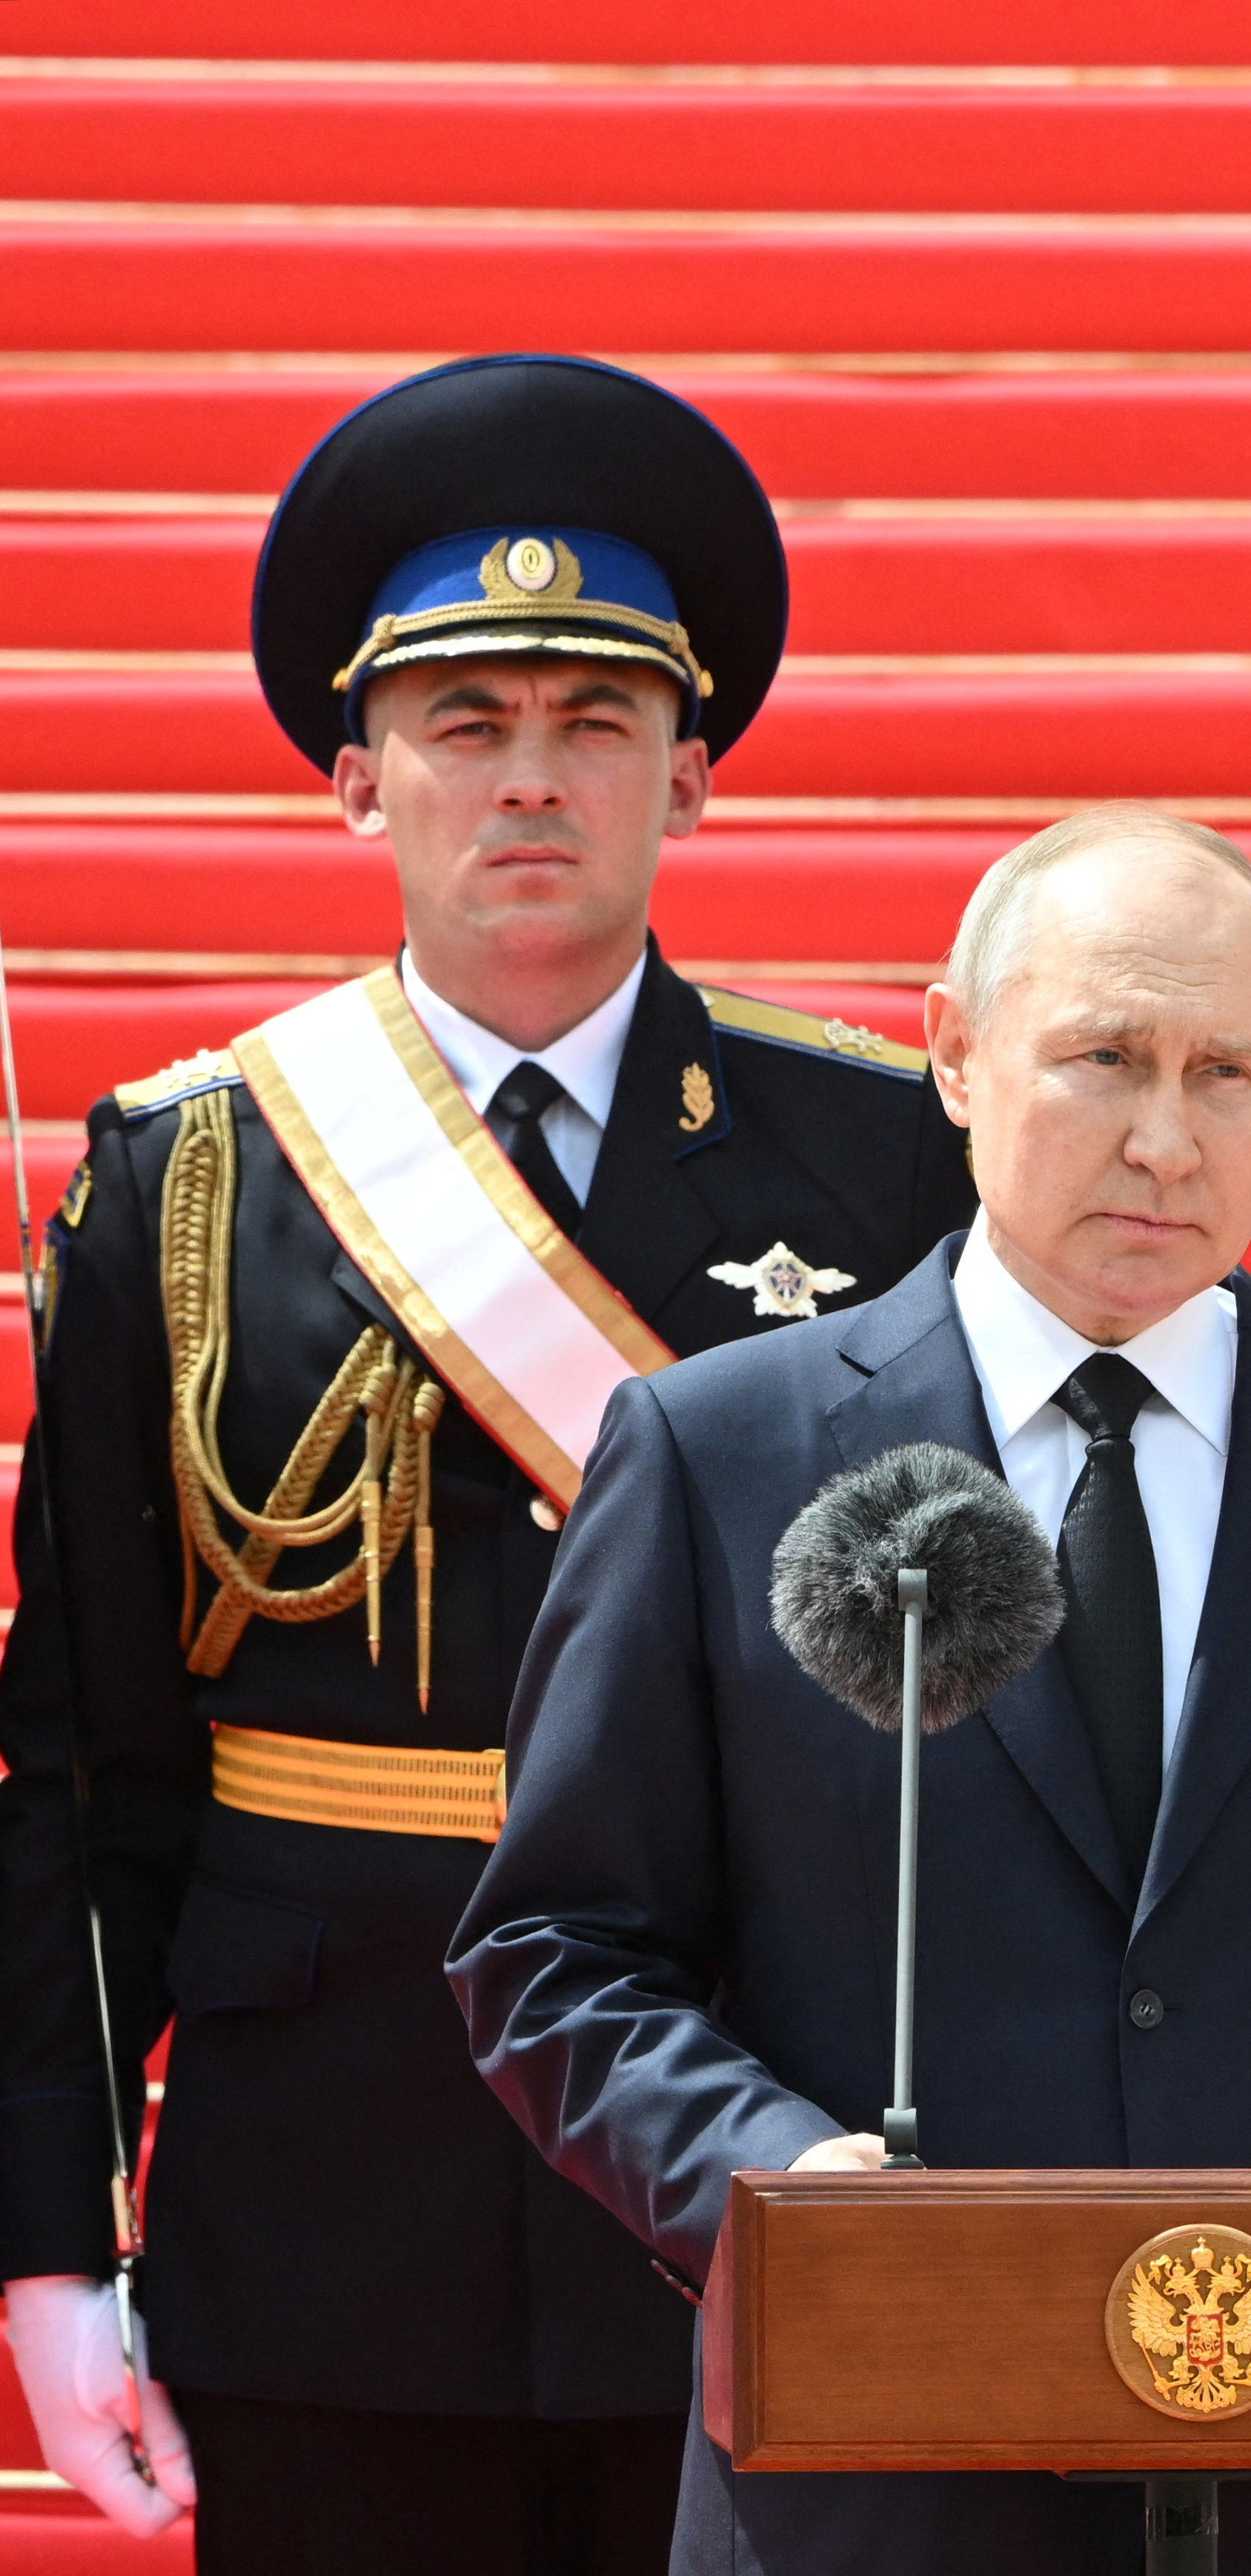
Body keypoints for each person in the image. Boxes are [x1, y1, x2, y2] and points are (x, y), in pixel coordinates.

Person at [448, 805, 1251, 2575]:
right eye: (1105, 1057)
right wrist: (773, 2183)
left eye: (1227, 1074)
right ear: (955, 1051)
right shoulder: (719, 1454)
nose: (1165, 1138)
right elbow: (557, 1950)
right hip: (878, 2480)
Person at [0, 355, 978, 2570]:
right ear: (359, 781)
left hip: (755, 2151)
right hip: (325, 2185)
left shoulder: (887, 1154)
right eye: (466, 724)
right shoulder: (184, 1181)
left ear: (692, 774)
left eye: (593, 722)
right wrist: (52, 2242)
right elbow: (82, 1772)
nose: (530, 777)